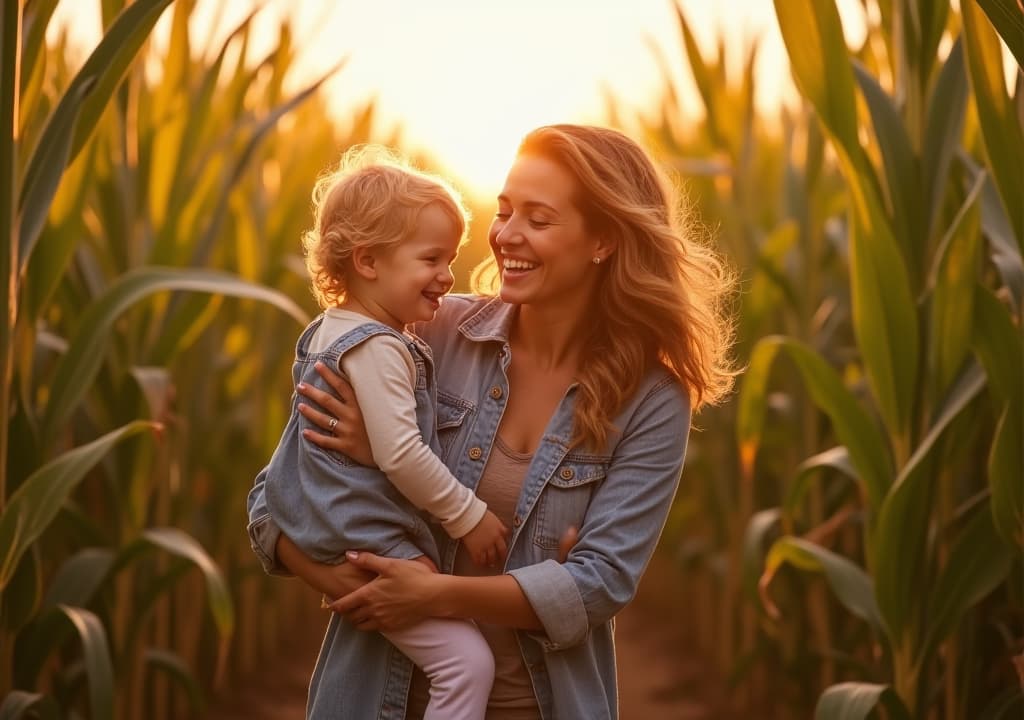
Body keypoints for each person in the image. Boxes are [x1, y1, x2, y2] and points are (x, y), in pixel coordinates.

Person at [248, 124, 735, 719]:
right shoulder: (426, 331)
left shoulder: (653, 399)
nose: (506, 235)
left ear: (603, 239)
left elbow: (600, 582)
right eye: (504, 211)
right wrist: (354, 582)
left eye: (538, 217)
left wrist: (434, 595)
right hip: (377, 698)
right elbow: (272, 503)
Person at [251, 145, 510, 720]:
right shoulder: (380, 348)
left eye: (450, 259)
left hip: (326, 529)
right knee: (466, 664)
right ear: (368, 262)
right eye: (432, 259)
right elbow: (400, 453)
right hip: (374, 543)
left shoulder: (327, 332)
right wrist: (468, 518)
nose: (447, 276)